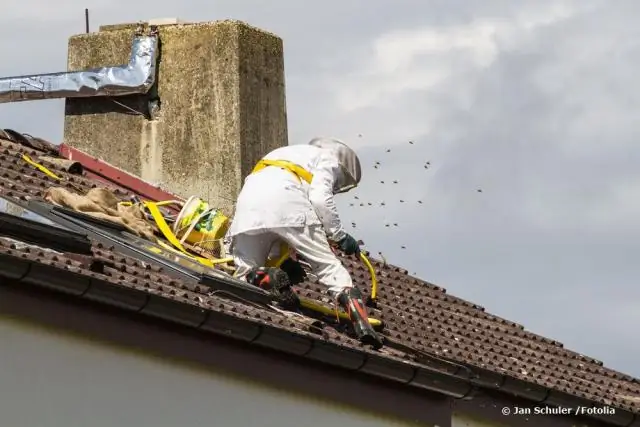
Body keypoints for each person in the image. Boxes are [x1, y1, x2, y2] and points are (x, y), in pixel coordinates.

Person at [227, 137, 383, 349]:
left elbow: (274, 227)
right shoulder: (327, 160)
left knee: (243, 272)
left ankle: (268, 276)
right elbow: (319, 198)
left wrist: (282, 264)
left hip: (248, 206)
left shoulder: (283, 153)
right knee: (329, 268)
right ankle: (363, 326)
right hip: (289, 201)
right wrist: (339, 236)